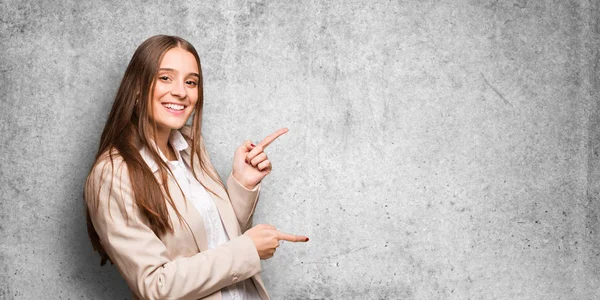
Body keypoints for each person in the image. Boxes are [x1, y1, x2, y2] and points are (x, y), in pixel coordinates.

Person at [84, 35, 308, 300]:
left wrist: (242, 183)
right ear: (137, 87)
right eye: (165, 78)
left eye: (191, 82)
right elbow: (155, 285)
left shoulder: (192, 144)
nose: (181, 91)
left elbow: (214, 239)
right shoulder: (113, 173)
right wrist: (248, 249)